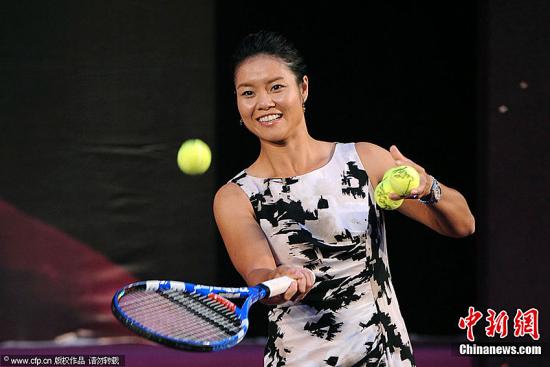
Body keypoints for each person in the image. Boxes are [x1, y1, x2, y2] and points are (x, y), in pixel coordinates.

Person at [213, 31, 475, 367]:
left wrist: (428, 188)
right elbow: (258, 272)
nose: (263, 103)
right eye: (247, 93)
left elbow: (463, 225)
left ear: (303, 88)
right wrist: (280, 278)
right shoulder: (235, 197)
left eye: (276, 87)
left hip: (384, 355)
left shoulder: (363, 160)